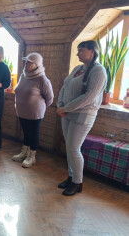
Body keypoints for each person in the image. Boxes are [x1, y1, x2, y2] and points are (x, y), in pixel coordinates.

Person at [57, 40, 107, 196]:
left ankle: (77, 183)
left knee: (73, 148)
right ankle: (72, 177)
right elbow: (65, 87)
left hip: (83, 115)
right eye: (78, 50)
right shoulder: (78, 68)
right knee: (69, 148)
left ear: (93, 52)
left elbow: (89, 97)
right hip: (66, 113)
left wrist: (66, 108)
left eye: (81, 50)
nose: (78, 53)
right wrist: (60, 105)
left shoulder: (98, 71)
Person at [12, 52, 54, 167]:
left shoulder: (42, 79)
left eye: (29, 62)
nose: (26, 64)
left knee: (33, 134)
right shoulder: (23, 76)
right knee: (26, 133)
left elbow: (50, 99)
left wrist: (38, 107)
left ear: (37, 65)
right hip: (21, 111)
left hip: (35, 113)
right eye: (25, 62)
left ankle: (32, 156)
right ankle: (24, 152)